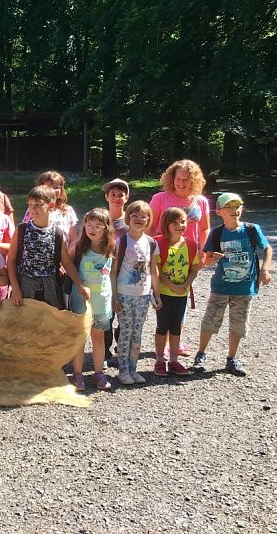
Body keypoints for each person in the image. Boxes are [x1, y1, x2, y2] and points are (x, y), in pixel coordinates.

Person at [193, 193, 273, 377]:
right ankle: (201, 355)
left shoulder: (252, 229)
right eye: (229, 207)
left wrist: (265, 270)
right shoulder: (217, 233)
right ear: (219, 211)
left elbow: (267, 248)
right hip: (221, 287)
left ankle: (231, 358)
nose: (234, 210)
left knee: (238, 324)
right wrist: (212, 259)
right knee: (210, 321)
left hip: (245, 288)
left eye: (237, 206)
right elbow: (206, 261)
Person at [149, 159, 210, 356]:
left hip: (188, 254)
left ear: (194, 180)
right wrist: (149, 253)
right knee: (165, 297)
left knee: (182, 295)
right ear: (171, 178)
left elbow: (205, 228)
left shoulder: (200, 201)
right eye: (178, 179)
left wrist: (204, 252)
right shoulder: (159, 198)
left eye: (186, 179)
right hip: (164, 253)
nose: (181, 183)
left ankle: (176, 340)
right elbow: (150, 226)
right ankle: (164, 342)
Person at [111, 201, 161, 385]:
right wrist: (114, 296)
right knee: (125, 331)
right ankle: (123, 370)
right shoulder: (121, 241)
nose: (139, 219)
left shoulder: (151, 243)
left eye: (143, 216)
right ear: (128, 217)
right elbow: (113, 271)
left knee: (137, 333)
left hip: (143, 295)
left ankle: (133, 368)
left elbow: (153, 271)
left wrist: (156, 295)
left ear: (148, 220)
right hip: (124, 294)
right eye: (135, 215)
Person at [67, 209, 116, 391]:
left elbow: (113, 274)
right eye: (89, 225)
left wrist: (115, 298)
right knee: (80, 336)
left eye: (97, 226)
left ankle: (98, 373)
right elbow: (68, 265)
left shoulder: (112, 248)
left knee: (98, 336)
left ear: (106, 228)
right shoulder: (79, 247)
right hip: (81, 299)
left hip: (101, 300)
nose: (92, 229)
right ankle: (77, 374)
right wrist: (79, 285)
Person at [7, 185, 73, 309]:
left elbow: (67, 262)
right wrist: (15, 289)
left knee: (50, 325)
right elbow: (11, 260)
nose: (33, 208)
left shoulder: (57, 233)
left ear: (51, 206)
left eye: (38, 204)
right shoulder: (22, 230)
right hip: (24, 288)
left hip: (50, 289)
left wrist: (80, 285)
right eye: (30, 204)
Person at [152, 207, 199, 377]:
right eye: (175, 223)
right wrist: (171, 286)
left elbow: (194, 269)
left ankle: (173, 360)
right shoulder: (159, 243)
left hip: (182, 294)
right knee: (162, 327)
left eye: (183, 222)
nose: (180, 226)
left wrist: (185, 284)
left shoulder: (191, 244)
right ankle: (159, 360)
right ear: (166, 224)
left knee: (176, 327)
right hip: (164, 293)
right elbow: (157, 270)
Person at [102, 178, 130, 360]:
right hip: (103, 276)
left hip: (125, 275)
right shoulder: (100, 219)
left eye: (121, 195)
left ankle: (122, 348)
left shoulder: (130, 221)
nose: (117, 198)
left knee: (125, 314)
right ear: (106, 197)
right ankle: (104, 351)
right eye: (113, 195)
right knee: (105, 315)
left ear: (126, 198)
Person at [20, 171, 77, 246]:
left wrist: (68, 255)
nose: (53, 190)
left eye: (56, 187)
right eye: (49, 187)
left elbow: (73, 240)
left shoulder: (68, 210)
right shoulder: (34, 209)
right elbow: (23, 232)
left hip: (63, 254)